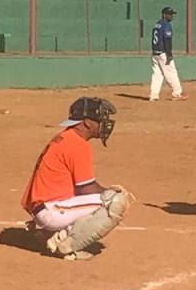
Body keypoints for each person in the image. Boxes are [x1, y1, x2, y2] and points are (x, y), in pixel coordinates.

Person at [21, 97, 133, 260]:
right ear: (87, 122)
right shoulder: (76, 144)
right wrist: (111, 192)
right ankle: (64, 243)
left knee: (106, 196)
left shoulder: (66, 137)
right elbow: (85, 188)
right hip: (53, 210)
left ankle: (48, 233)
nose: (104, 124)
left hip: (44, 208)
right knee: (115, 201)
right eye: (100, 120)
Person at [149, 6, 187, 101]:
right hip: (163, 53)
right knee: (171, 72)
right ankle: (177, 93)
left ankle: (153, 95)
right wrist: (169, 54)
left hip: (155, 53)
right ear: (164, 15)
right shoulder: (166, 25)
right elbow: (167, 41)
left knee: (157, 74)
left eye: (172, 14)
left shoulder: (156, 25)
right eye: (169, 14)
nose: (171, 16)